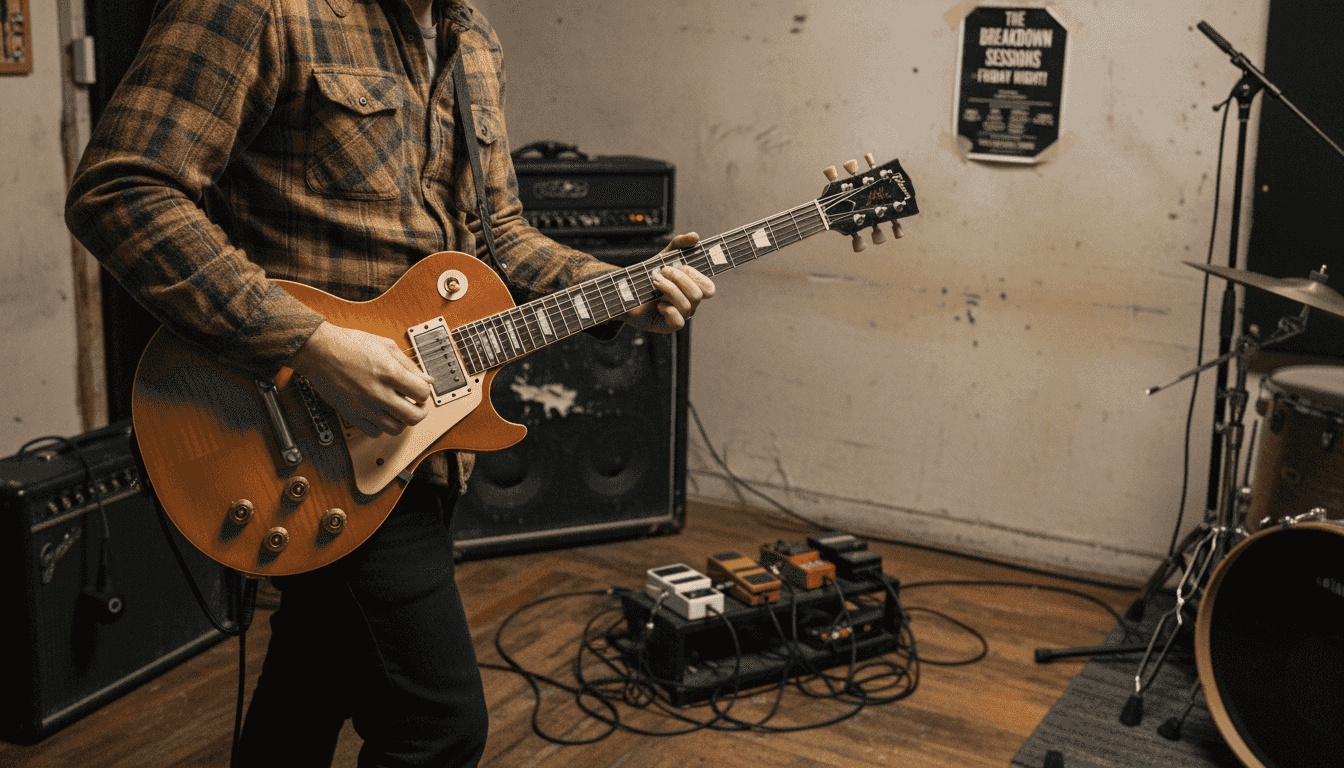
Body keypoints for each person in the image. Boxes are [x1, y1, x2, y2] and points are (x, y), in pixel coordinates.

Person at [64, 0, 714, 765]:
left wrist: (615, 290)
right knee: (435, 728)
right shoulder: (261, 7)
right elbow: (122, 189)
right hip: (293, 430)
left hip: (417, 443)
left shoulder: (471, 39)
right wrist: (309, 343)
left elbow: (497, 233)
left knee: (309, 682)